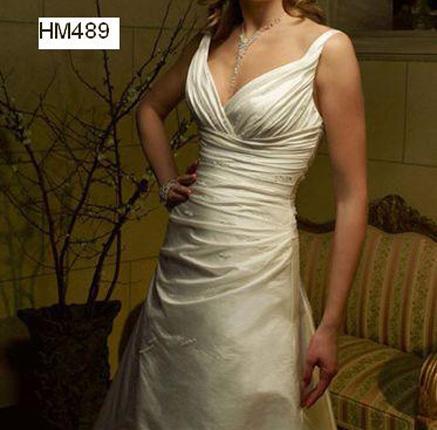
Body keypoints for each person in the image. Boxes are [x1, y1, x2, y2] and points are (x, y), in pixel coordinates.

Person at [93, 0, 367, 428]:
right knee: (165, 401)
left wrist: (330, 325)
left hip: (258, 272)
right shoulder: (208, 41)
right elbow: (148, 110)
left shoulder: (327, 48)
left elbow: (352, 198)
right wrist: (167, 182)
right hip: (182, 261)